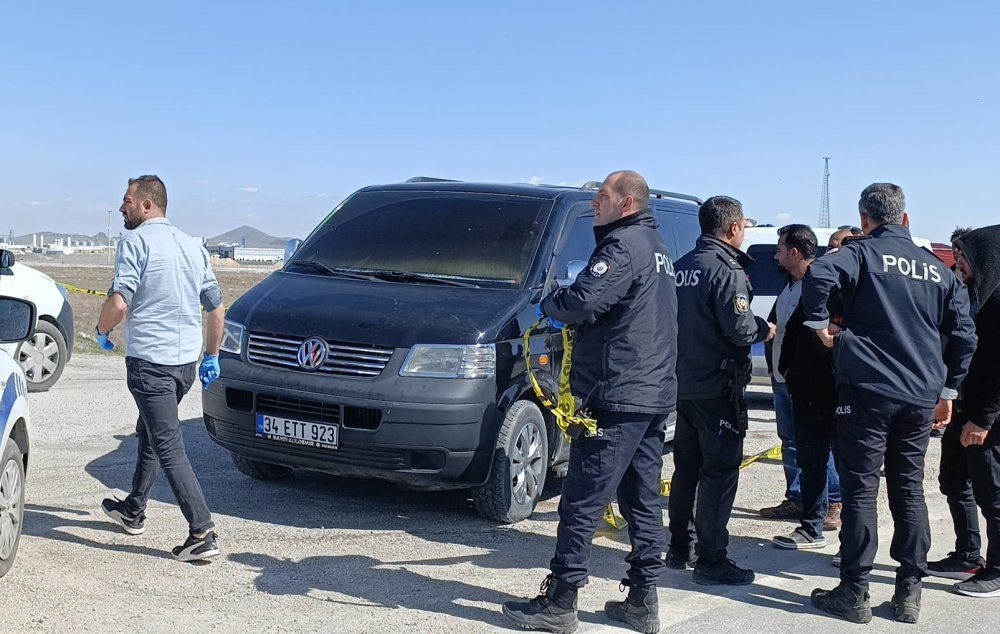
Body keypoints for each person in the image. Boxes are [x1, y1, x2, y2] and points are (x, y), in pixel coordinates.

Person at [502, 171, 678, 634]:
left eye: (601, 196)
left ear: (627, 204)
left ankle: (561, 600)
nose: (594, 203)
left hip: (618, 393)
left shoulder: (623, 247)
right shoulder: (656, 248)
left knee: (582, 500)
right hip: (651, 393)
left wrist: (548, 306)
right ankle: (643, 600)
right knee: (641, 500)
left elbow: (584, 299)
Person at [802, 183, 977, 623]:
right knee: (908, 488)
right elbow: (964, 335)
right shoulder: (939, 270)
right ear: (906, 219)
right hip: (920, 396)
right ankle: (908, 592)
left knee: (860, 490)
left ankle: (855, 591)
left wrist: (822, 327)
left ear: (864, 220)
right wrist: (949, 392)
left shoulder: (860, 254)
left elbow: (819, 275)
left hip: (867, 391)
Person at [96, 175, 226, 563]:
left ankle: (202, 532)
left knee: (167, 444)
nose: (122, 207)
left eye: (127, 201)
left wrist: (102, 330)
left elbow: (119, 302)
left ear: (147, 206)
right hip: (185, 364)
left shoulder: (134, 242)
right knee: (152, 433)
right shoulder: (192, 245)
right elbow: (216, 308)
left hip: (150, 364)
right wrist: (212, 355)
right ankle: (133, 510)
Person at [666, 196, 775, 586]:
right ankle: (712, 558)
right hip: (718, 387)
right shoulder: (726, 270)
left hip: (684, 385)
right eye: (744, 227)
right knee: (720, 472)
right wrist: (765, 328)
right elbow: (740, 328)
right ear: (733, 229)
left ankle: (680, 547)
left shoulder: (681, 268)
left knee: (686, 469)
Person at [929, 224, 1000, 598]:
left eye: (963, 256)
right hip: (963, 407)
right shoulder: (973, 295)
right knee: (954, 480)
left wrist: (984, 419)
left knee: (993, 493)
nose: (957, 262)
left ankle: (997, 568)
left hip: (987, 417)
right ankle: (967, 553)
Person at [759, 225, 842, 534]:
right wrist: (774, 367)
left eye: (780, 249)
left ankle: (834, 502)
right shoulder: (789, 285)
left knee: (819, 445)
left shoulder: (821, 285)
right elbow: (776, 327)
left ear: (795, 252)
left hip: (809, 385)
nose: (776, 255)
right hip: (783, 380)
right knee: (791, 442)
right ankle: (797, 499)